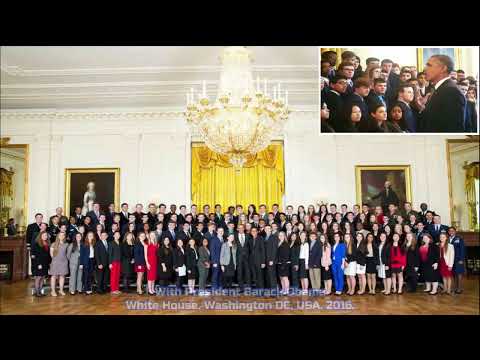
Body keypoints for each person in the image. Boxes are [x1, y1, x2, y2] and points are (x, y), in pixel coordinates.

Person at [422, 54, 466, 132]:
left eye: (429, 65)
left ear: (443, 69)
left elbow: (453, 128)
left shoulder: (451, 92)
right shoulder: (440, 89)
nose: (424, 69)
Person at [31, 231, 51, 296]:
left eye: (46, 235)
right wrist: (39, 264)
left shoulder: (47, 243)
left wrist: (49, 263)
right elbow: (35, 255)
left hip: (45, 263)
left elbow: (48, 255)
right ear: (40, 236)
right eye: (43, 235)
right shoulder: (36, 244)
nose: (45, 236)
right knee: (38, 277)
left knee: (43, 277)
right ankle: (37, 292)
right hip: (39, 263)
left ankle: (40, 291)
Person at [49, 232, 69, 296]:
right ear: (58, 236)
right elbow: (51, 255)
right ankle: (53, 291)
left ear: (64, 237)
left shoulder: (66, 244)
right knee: (54, 276)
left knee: (62, 276)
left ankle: (61, 290)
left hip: (64, 262)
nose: (62, 236)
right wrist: (56, 260)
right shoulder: (53, 244)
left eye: (63, 235)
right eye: (60, 235)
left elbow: (67, 254)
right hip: (55, 262)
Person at [448, 227, 465, 294]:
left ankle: (459, 288)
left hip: (458, 259)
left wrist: (461, 259)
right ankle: (454, 287)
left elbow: (462, 250)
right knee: (453, 274)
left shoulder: (459, 238)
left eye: (452, 231)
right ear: (448, 232)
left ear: (455, 231)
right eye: (450, 231)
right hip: (451, 259)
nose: (451, 232)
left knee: (459, 273)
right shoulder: (448, 239)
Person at [236, 224, 250, 291]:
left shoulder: (248, 235)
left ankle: (248, 287)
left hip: (247, 257)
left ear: (244, 228)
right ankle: (241, 288)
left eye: (242, 228)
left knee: (248, 272)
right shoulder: (235, 236)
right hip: (238, 257)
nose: (241, 229)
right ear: (237, 229)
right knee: (239, 273)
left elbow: (250, 246)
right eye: (239, 228)